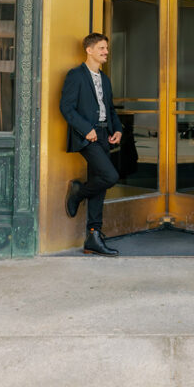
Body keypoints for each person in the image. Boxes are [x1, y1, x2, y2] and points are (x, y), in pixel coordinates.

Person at [60, 32, 123, 256]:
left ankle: (93, 236)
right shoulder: (75, 75)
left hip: (105, 135)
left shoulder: (104, 79)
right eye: (102, 48)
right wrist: (86, 129)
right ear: (89, 50)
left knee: (100, 183)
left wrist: (118, 130)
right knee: (110, 177)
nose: (106, 52)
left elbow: (111, 109)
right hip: (87, 137)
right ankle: (77, 193)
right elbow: (66, 108)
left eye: (106, 48)